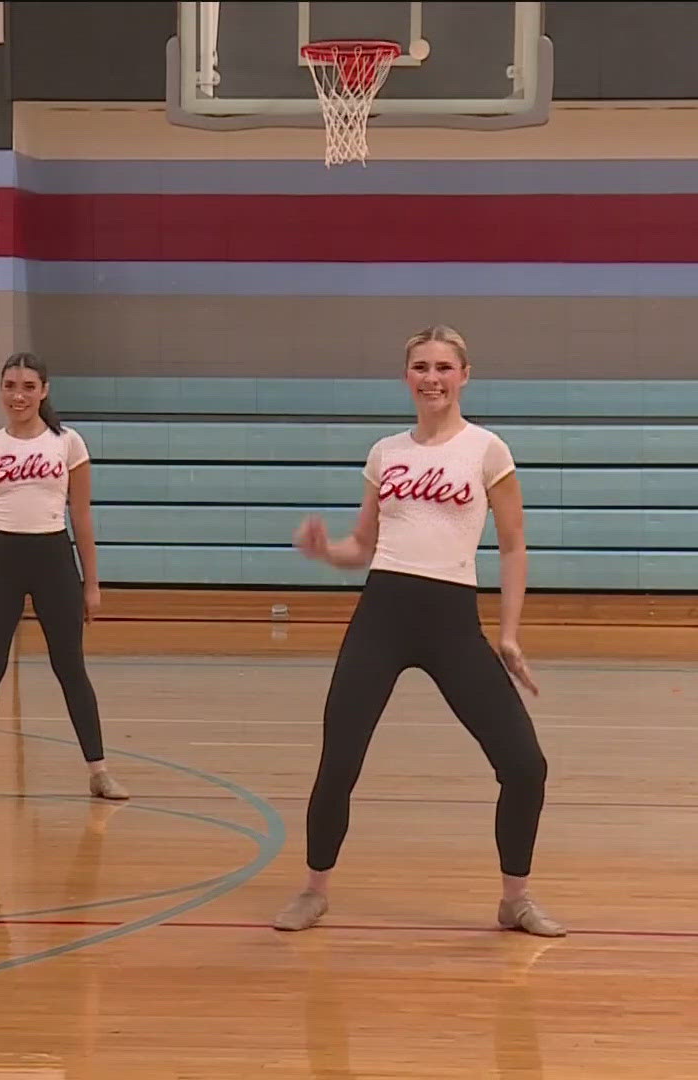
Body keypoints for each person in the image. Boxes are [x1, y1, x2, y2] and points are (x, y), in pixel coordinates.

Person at [272, 325, 561, 937]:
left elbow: (513, 546)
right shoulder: (385, 453)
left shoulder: (487, 450)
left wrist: (508, 634)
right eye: (421, 367)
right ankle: (314, 888)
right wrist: (329, 553)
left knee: (524, 765)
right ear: (407, 376)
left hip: (453, 622)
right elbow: (365, 546)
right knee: (338, 762)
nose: (432, 378)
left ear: (464, 375)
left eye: (444, 368)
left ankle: (516, 898)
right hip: (382, 616)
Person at [0, 353, 127, 802]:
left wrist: (91, 585)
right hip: (2, 560)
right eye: (10, 386)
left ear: (44, 390)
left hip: (53, 559)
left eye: (28, 387)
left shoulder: (68, 444)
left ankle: (99, 772)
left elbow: (82, 516)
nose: (18, 395)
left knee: (70, 668)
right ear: (0, 390)